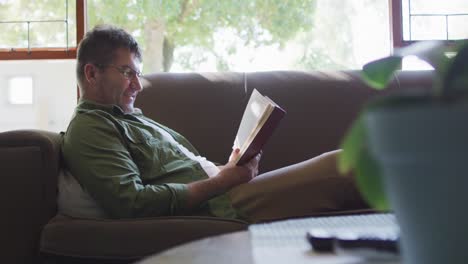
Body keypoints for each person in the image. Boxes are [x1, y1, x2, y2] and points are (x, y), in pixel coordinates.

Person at [61, 24, 366, 223]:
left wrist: (229, 168)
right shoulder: (91, 129)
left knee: (345, 164)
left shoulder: (129, 118)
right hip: (223, 204)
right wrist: (223, 181)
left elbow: (178, 172)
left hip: (225, 191)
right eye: (127, 73)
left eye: (137, 74)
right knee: (344, 166)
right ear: (91, 74)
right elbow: (132, 202)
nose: (138, 85)